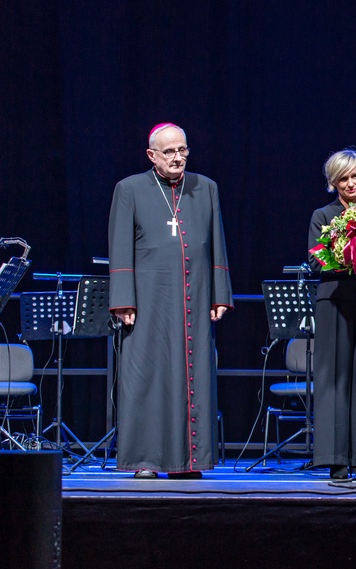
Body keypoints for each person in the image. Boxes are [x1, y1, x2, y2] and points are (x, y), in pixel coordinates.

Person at [108, 123, 233, 479]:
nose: (178, 157)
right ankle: (146, 460)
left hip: (196, 294)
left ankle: (189, 462)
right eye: (169, 152)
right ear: (152, 156)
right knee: (146, 377)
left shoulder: (205, 188)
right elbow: (119, 246)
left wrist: (220, 291)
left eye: (183, 150)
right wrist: (123, 300)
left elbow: (217, 242)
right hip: (147, 300)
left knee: (194, 377)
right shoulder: (129, 189)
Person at [308, 148, 356, 479]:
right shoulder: (323, 216)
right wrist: (350, 259)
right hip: (334, 301)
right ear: (332, 182)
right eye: (343, 178)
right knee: (334, 378)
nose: (351, 182)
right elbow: (316, 261)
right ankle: (337, 460)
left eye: (355, 175)